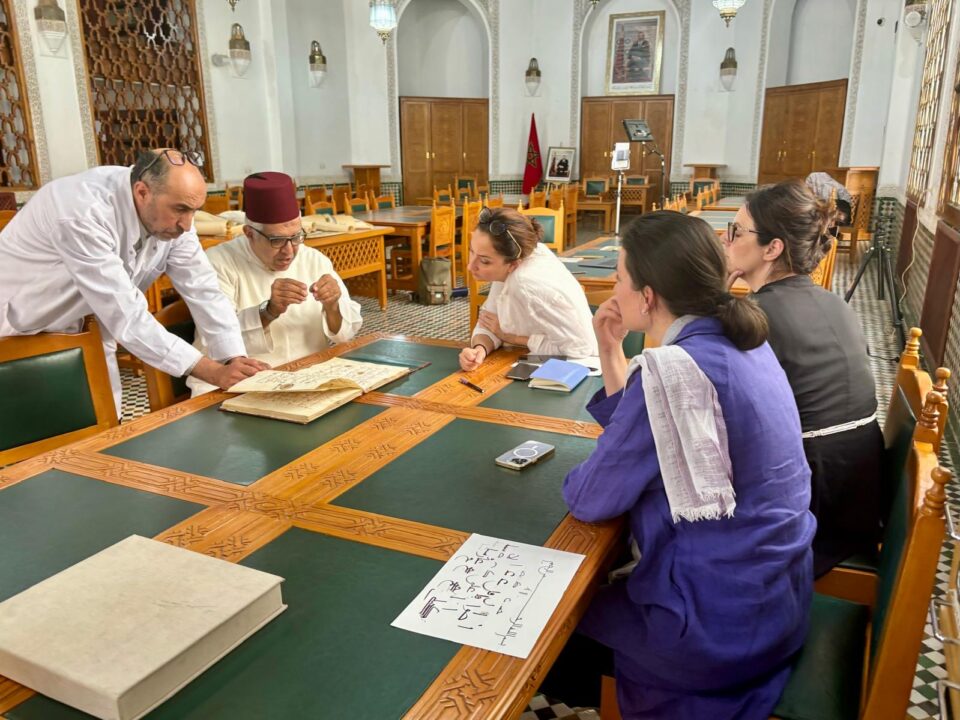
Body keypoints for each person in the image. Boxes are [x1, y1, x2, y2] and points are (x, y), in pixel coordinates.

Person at [546, 211, 814, 719]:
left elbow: (590, 497)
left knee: (555, 615)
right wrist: (610, 350)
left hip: (711, 631)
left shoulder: (675, 371)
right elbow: (653, 437)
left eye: (621, 279)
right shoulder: (746, 341)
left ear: (647, 297)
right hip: (775, 600)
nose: (615, 290)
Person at [0, 149, 266, 415]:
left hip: (87, 326)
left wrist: (233, 357)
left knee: (101, 428)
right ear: (141, 192)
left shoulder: (174, 213)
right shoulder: (82, 209)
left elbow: (204, 288)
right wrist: (212, 371)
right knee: (30, 436)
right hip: (19, 327)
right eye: (181, 210)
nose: (187, 224)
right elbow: (125, 313)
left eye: (194, 211)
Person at [724, 179, 882, 577]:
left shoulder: (755, 318)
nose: (727, 241)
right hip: (860, 490)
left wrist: (712, 300)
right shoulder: (833, 302)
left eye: (737, 232)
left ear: (772, 248)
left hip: (812, 509)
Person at [187, 171, 362, 395]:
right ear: (249, 233)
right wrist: (268, 311)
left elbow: (345, 334)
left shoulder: (313, 260)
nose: (289, 251)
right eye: (277, 240)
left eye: (296, 237)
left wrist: (333, 306)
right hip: (239, 386)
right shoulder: (219, 262)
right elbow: (217, 340)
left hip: (309, 379)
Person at [458, 207, 597, 371]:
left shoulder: (526, 284)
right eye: (471, 252)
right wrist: (479, 349)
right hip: (533, 361)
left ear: (513, 264)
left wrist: (512, 337)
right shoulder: (518, 254)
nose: (470, 266)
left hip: (579, 369)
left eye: (485, 261)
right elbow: (490, 322)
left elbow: (581, 348)